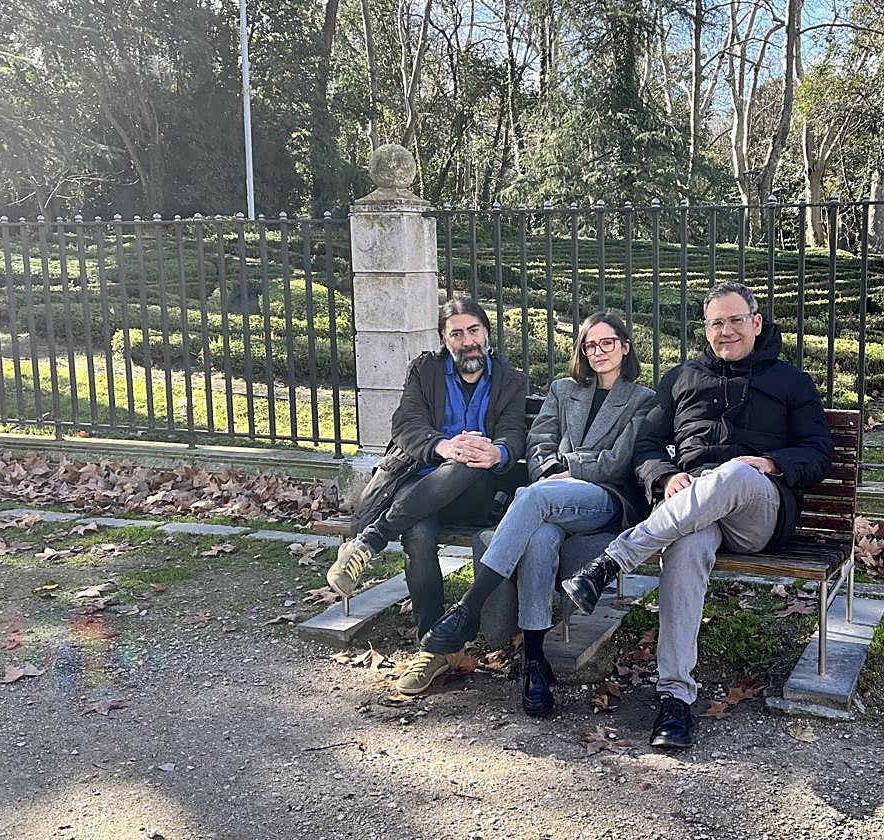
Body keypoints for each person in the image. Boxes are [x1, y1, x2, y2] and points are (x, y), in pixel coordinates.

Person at [560, 281, 833, 750]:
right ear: (705, 330)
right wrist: (666, 477)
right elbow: (647, 447)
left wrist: (771, 463)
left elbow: (818, 452)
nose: (726, 331)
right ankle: (674, 698)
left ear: (756, 323)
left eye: (735, 320)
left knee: (734, 474)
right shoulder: (682, 378)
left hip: (758, 508)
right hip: (691, 511)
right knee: (685, 549)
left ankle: (612, 562)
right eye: (716, 323)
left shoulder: (790, 381)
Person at [414, 312, 655, 715]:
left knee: (533, 497)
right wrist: (550, 471)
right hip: (548, 494)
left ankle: (469, 607)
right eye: (590, 345)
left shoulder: (642, 399)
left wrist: (568, 469)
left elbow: (618, 461)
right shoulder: (563, 390)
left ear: (625, 347)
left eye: (607, 343)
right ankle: (535, 661)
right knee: (540, 539)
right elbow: (538, 442)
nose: (598, 351)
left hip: (603, 499)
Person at [325, 297, 528, 695]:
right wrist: (442, 446)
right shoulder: (426, 371)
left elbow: (514, 432)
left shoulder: (510, 379)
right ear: (444, 339)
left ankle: (369, 542)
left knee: (470, 460)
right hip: (419, 486)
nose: (467, 341)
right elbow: (406, 425)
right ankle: (434, 648)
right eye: (457, 334)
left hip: (476, 494)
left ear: (486, 333)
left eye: (474, 330)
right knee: (417, 533)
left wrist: (497, 452)